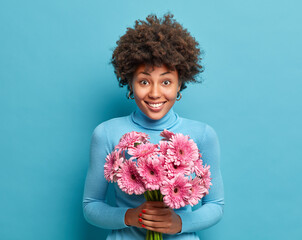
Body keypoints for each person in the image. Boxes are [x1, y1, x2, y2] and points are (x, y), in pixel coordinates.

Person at [83, 13, 224, 240]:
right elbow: (91, 206)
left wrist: (179, 222)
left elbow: (216, 205)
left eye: (166, 81)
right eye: (144, 81)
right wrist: (131, 216)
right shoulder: (106, 133)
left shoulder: (203, 135)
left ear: (180, 84)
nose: (155, 93)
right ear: (130, 82)